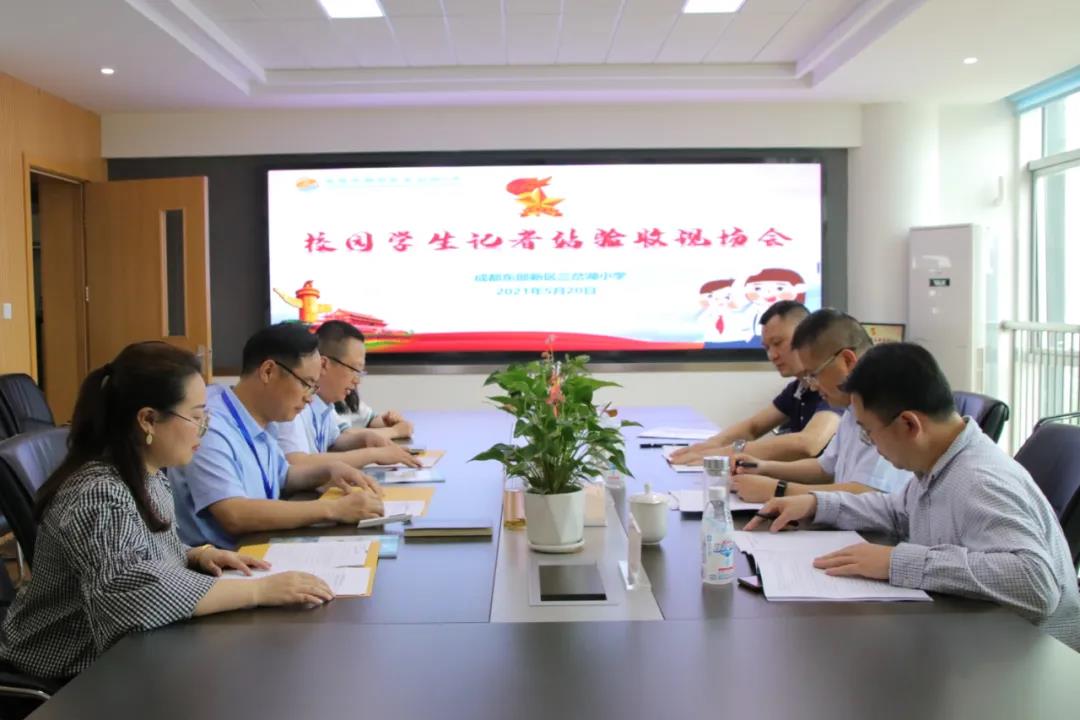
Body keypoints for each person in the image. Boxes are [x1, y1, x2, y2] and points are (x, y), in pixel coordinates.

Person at [0, 343, 338, 680]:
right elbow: (129, 596)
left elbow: (138, 551)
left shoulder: (147, 474)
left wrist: (196, 555)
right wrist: (260, 590)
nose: (204, 428)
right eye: (195, 417)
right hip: (65, 667)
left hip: (124, 654)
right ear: (148, 420)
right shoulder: (98, 493)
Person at [747, 342, 1080, 651]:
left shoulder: (979, 479)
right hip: (981, 635)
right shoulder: (939, 463)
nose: (870, 443)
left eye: (868, 432)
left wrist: (896, 562)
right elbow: (897, 511)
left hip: (1032, 659)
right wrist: (816, 504)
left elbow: (1035, 583)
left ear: (909, 424)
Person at [170, 323, 384, 549]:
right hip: (222, 561)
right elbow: (234, 514)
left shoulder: (262, 416)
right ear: (268, 372)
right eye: (307, 384)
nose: (310, 398)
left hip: (259, 547)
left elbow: (283, 476)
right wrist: (334, 509)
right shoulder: (210, 425)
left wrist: (329, 470)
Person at [731, 309, 911, 502]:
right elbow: (825, 468)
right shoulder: (851, 406)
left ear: (847, 361)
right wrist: (763, 467)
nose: (812, 386)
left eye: (814, 374)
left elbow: (868, 493)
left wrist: (779, 490)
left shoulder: (887, 406)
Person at [670, 301, 840, 465]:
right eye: (767, 348)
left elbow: (808, 443)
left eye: (778, 343)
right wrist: (709, 445)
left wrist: (720, 454)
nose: (772, 355)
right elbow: (753, 427)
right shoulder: (800, 387)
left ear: (806, 337)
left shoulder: (833, 384)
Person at [270, 321, 420, 470]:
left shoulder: (325, 404)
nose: (357, 380)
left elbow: (334, 442)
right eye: (353, 369)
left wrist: (364, 438)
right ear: (324, 364)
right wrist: (372, 454)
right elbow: (296, 462)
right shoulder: (294, 403)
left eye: (360, 372)